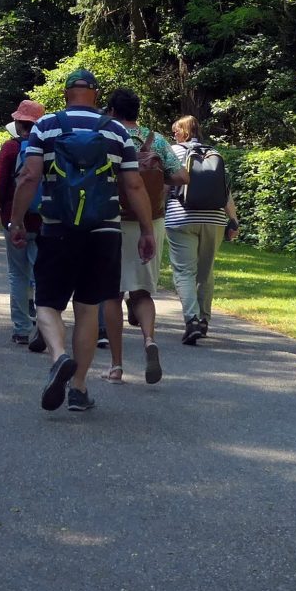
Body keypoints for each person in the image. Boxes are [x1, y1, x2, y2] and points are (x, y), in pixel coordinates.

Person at [10, 69, 154, 414]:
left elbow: (30, 175)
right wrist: (147, 230)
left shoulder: (46, 126)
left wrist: (17, 220)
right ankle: (78, 388)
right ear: (96, 93)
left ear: (65, 94)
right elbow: (134, 185)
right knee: (88, 308)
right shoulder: (118, 130)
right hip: (104, 230)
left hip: (58, 227)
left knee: (47, 303)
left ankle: (59, 357)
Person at [101, 89, 170, 386]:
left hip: (114, 221)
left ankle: (116, 366)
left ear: (113, 110)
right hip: (150, 223)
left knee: (112, 294)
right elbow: (182, 177)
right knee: (141, 293)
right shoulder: (156, 140)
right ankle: (149, 340)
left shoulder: (107, 137)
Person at [163, 114, 238, 346]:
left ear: (184, 132)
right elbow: (225, 192)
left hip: (181, 217)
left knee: (184, 271)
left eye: (176, 130)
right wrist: (233, 220)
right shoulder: (214, 153)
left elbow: (166, 186)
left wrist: (156, 211)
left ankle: (192, 320)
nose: (173, 134)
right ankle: (204, 320)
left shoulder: (173, 152)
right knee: (205, 272)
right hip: (214, 219)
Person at [0, 99, 46, 350]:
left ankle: (21, 329)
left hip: (15, 219)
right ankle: (45, 327)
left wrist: (0, 205)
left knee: (17, 273)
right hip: (43, 220)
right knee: (43, 275)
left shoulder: (11, 148)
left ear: (18, 123)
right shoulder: (49, 148)